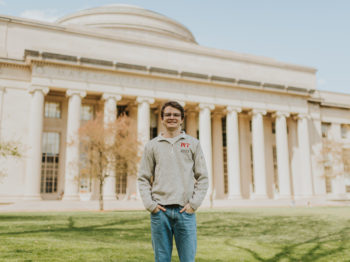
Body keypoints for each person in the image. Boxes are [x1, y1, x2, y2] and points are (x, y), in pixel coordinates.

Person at [138, 100, 209, 262]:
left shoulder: (193, 144)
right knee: (161, 259)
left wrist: (193, 205)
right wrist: (151, 205)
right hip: (160, 213)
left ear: (182, 119)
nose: (172, 117)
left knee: (188, 260)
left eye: (176, 115)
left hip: (185, 212)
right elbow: (143, 177)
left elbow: (203, 177)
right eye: (168, 114)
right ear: (162, 119)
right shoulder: (151, 146)